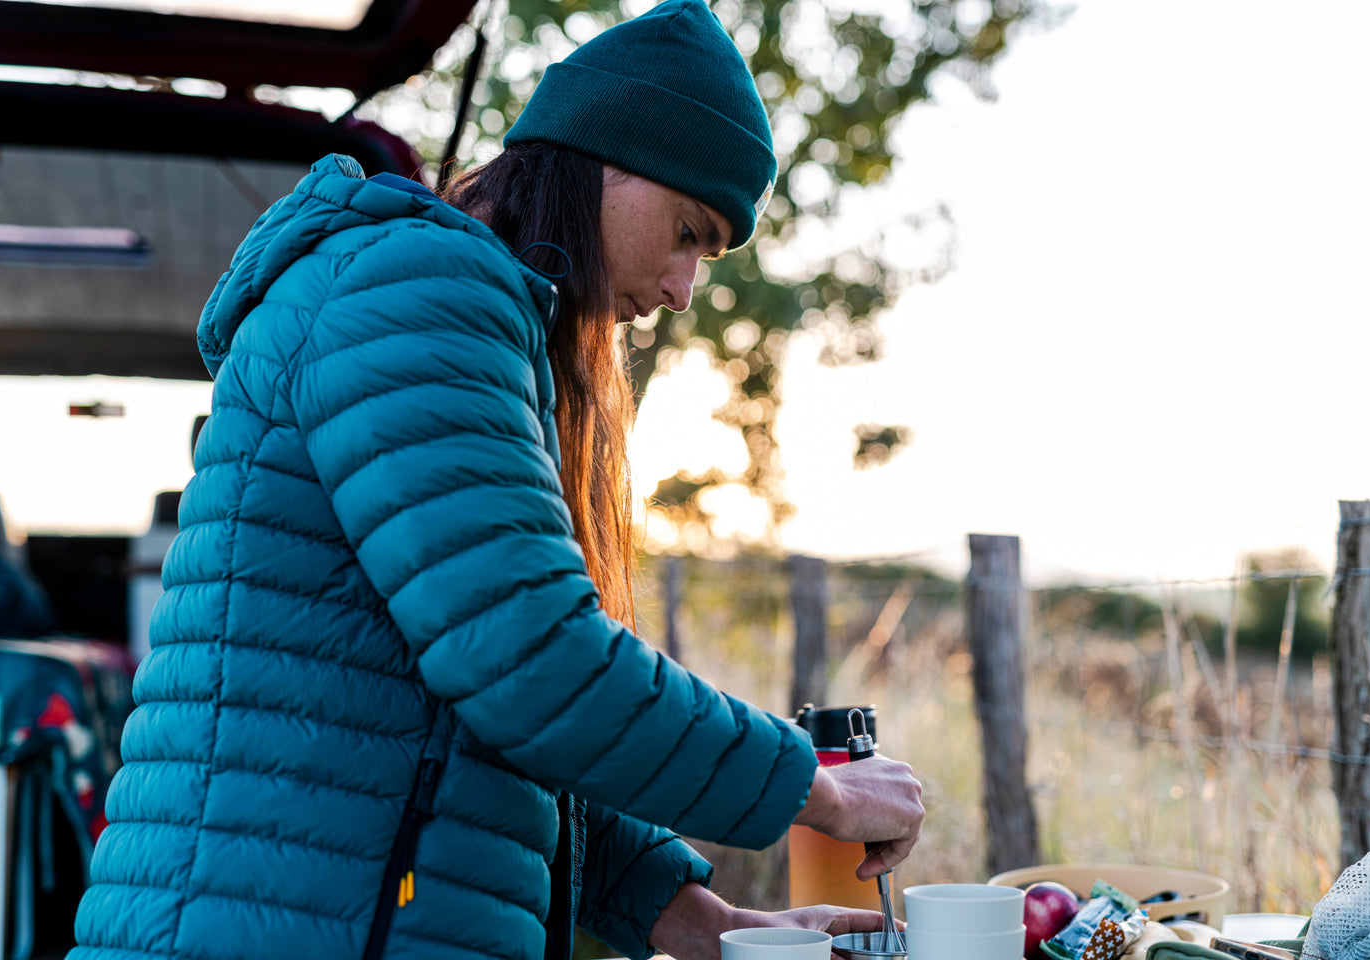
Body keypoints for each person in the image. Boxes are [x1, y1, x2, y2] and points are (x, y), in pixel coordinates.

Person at [69, 3, 924, 960]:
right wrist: (820, 787)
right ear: (609, 160)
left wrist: (710, 926)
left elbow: (489, 729)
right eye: (689, 232)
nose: (684, 289)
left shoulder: (444, 309)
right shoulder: (420, 291)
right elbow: (530, 658)